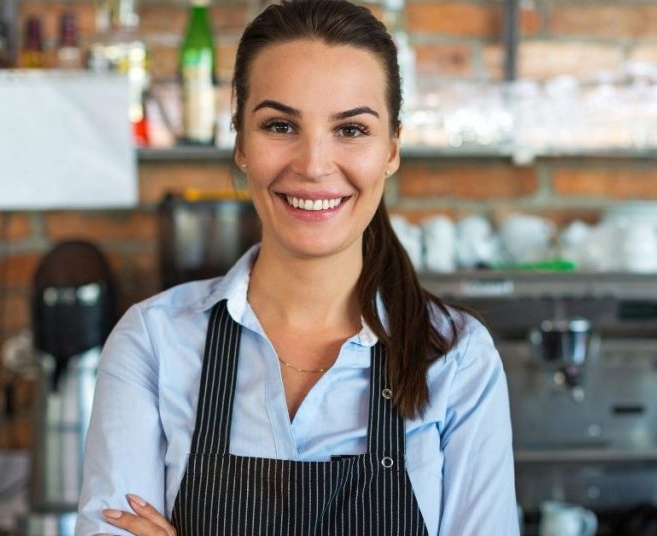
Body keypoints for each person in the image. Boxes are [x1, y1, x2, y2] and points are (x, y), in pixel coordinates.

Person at [75, 0, 519, 534]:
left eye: (351, 130)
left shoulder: (456, 358)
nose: (312, 165)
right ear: (240, 141)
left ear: (392, 150)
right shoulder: (153, 342)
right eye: (281, 125)